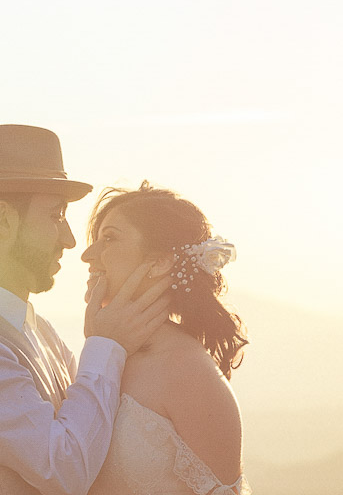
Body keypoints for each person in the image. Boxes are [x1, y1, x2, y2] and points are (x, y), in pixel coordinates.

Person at [0, 124, 172, 495]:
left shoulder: (34, 329)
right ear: (2, 219)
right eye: (56, 215)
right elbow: (66, 470)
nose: (68, 239)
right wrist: (106, 344)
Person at [81, 181, 250, 495]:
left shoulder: (188, 371)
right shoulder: (105, 353)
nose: (87, 255)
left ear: (159, 262)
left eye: (109, 238)